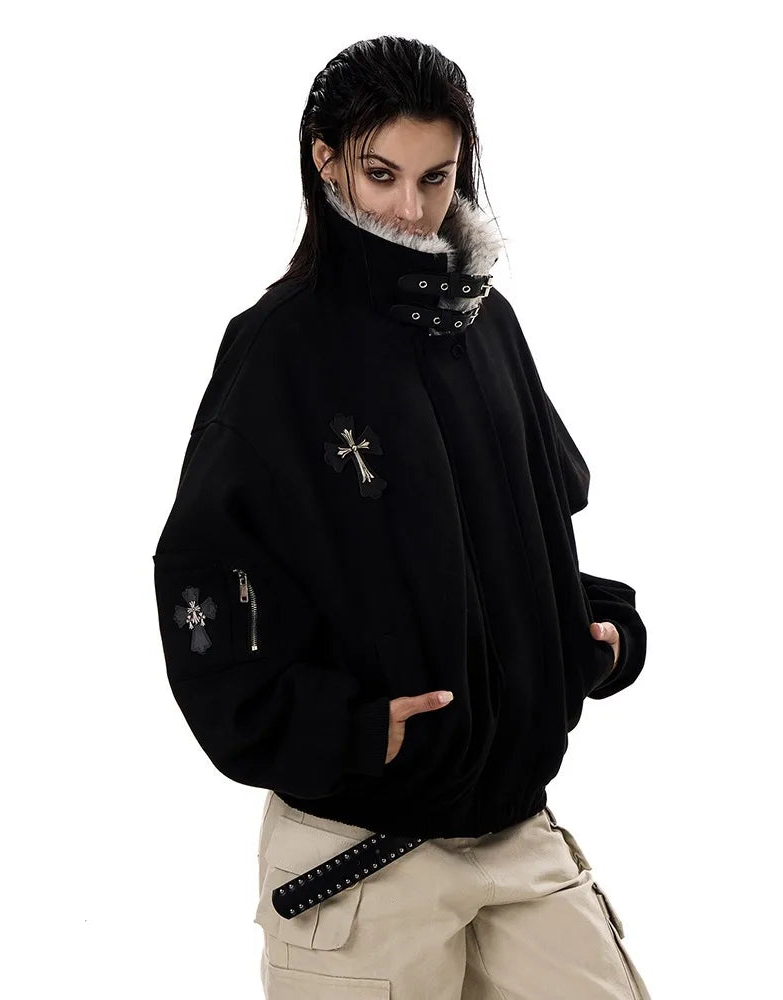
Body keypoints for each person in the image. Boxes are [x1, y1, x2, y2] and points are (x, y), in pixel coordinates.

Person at [152, 34, 651, 1000]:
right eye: (381, 174)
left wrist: (585, 629)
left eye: (436, 176)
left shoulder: (488, 326)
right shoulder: (277, 352)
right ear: (325, 159)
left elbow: (518, 531)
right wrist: (341, 729)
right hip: (360, 857)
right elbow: (203, 592)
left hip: (517, 836)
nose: (411, 209)